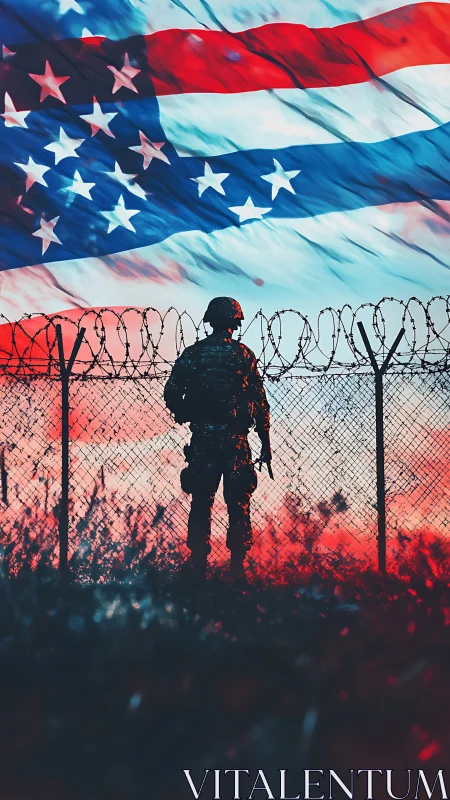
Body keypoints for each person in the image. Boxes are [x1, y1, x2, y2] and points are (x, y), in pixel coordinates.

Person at [163, 297, 271, 578]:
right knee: (238, 501)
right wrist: (266, 443)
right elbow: (260, 402)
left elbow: (172, 393)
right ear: (236, 321)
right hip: (236, 442)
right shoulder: (243, 355)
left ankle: (198, 564)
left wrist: (189, 412)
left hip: (204, 441)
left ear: (211, 320)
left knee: (201, 500)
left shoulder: (194, 354)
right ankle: (238, 567)